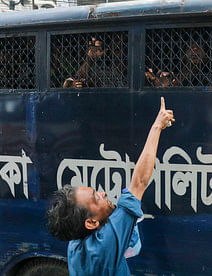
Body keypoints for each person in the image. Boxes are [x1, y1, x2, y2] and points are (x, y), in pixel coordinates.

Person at [46, 97, 175, 275]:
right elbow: (139, 182)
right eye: (96, 197)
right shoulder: (105, 245)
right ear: (91, 222)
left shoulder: (75, 243)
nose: (103, 193)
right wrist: (157, 126)